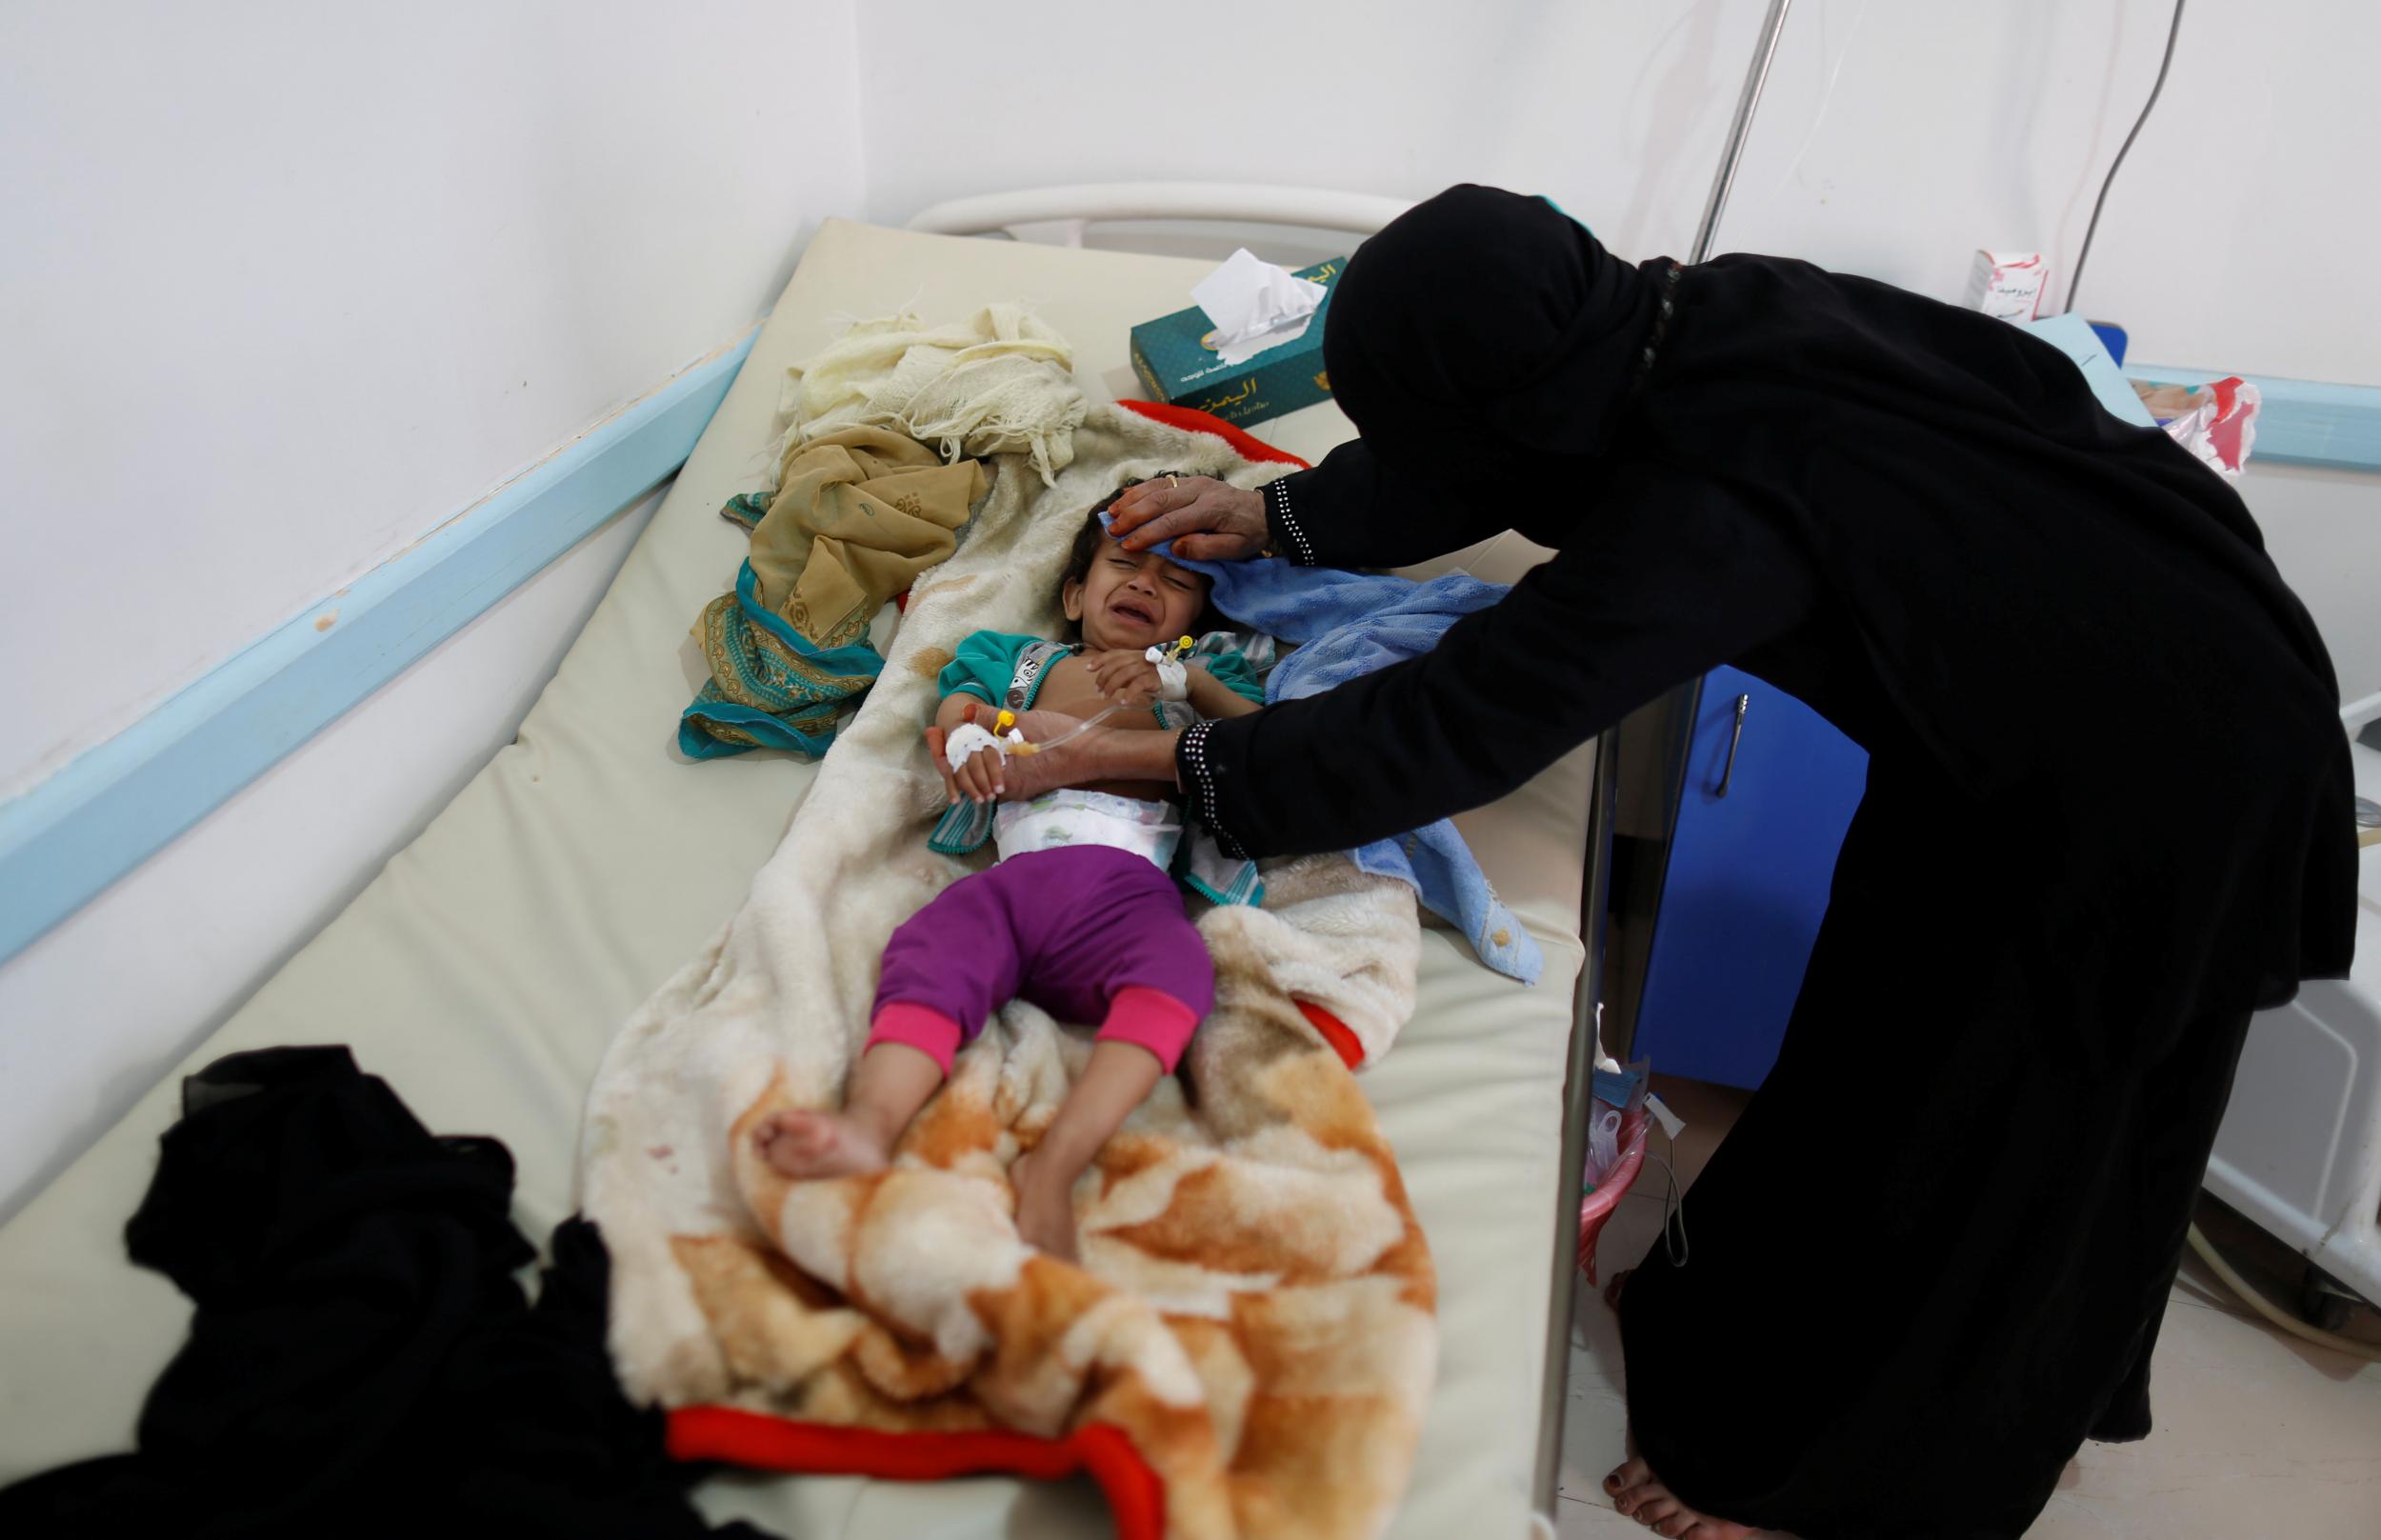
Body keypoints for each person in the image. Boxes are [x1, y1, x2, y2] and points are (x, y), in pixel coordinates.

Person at [991, 186, 2358, 1538]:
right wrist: (1280, 519)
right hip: (2049, 704)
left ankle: (1836, 1485)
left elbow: (1456, 720)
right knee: (1874, 1044)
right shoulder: (1684, 320)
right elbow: (1481, 445)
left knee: (1996, 1138)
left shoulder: (1706, 508)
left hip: (2158, 774)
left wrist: (1187, 764)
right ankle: (1796, 1355)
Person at [754, 488, 1264, 1260]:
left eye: (1175, 582)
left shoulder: (1196, 677)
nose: (1144, 585)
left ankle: (1056, 1167)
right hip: (1013, 884)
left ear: (1197, 617)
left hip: (1126, 890)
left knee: (1180, 970)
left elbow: (1264, 742)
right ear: (1073, 593)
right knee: (931, 943)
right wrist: (982, 733)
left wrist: (1182, 685)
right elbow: (957, 708)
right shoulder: (1018, 660)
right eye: (1122, 565)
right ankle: (869, 1124)